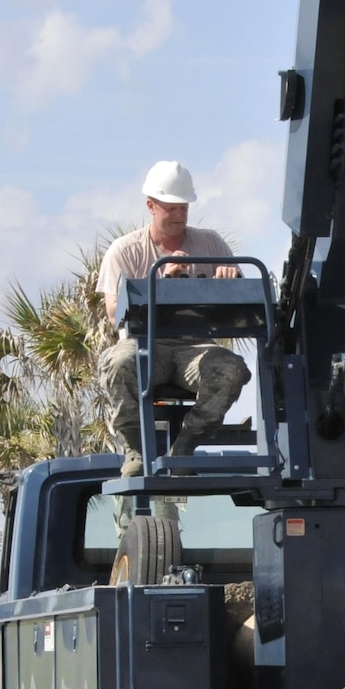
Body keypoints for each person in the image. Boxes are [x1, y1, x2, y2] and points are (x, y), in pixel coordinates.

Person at [95, 161, 250, 477]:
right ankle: (138, 450)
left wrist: (228, 281)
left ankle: (185, 448)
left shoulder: (210, 244)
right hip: (145, 347)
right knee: (118, 362)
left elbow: (241, 304)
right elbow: (114, 312)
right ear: (151, 206)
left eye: (184, 208)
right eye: (171, 208)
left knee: (230, 369)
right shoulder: (125, 251)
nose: (179, 215)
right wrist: (162, 281)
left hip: (195, 349)